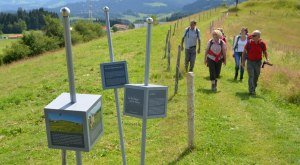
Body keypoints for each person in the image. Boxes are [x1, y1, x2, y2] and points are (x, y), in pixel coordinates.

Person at [242, 30, 270, 95]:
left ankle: (253, 88)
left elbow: (265, 52)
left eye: (254, 35)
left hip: (258, 62)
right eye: (252, 35)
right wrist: (243, 62)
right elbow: (244, 53)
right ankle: (251, 90)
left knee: (256, 76)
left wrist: (267, 59)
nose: (252, 36)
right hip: (250, 62)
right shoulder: (249, 43)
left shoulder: (262, 44)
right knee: (251, 76)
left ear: (258, 36)